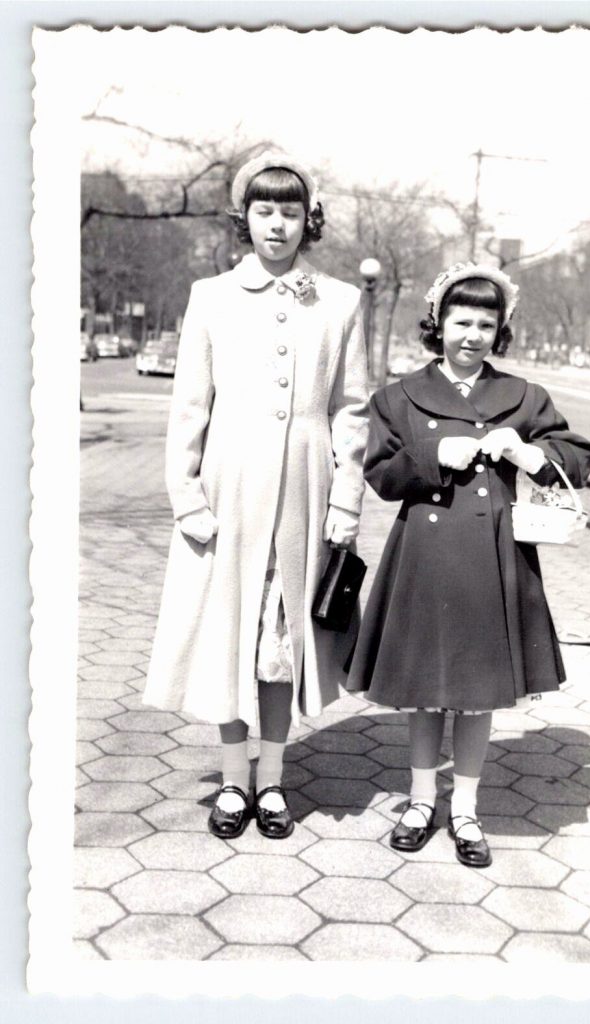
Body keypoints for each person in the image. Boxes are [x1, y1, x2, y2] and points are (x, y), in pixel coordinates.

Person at [143, 151, 369, 841]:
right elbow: (189, 406)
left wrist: (345, 500)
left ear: (310, 220)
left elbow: (350, 407)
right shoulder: (209, 296)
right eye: (264, 211)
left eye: (291, 212)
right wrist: (186, 497)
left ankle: (272, 781)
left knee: (282, 636)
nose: (277, 225)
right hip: (228, 484)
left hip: (305, 488)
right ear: (244, 218)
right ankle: (233, 783)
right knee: (231, 633)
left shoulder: (340, 302)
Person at [347, 262, 590, 868]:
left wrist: (528, 452)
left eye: (487, 324)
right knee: (426, 689)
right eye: (462, 321)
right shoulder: (398, 396)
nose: (473, 335)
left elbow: (577, 456)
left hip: (494, 555)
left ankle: (466, 808)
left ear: (499, 330)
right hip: (427, 554)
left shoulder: (524, 396)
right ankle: (419, 799)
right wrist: (434, 453)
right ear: (438, 323)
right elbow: (381, 474)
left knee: (478, 692)